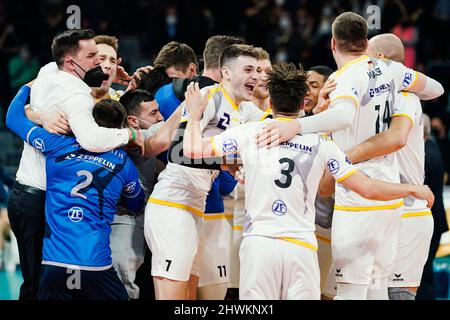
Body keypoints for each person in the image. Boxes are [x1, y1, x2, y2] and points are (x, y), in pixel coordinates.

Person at [182, 63, 434, 300]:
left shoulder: (248, 133)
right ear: (303, 103)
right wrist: (412, 188)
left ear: (270, 102)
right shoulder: (322, 143)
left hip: (259, 244)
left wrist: (194, 115)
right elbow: (368, 189)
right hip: (300, 247)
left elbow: (192, 150)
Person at [255, 11, 444, 300]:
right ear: (365, 41)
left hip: (358, 199)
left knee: (348, 293)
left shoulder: (346, 77)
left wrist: (296, 125)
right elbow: (436, 89)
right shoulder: (389, 69)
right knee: (377, 288)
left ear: (333, 44)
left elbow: (343, 116)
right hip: (389, 198)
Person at [7, 29, 143, 300]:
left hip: (25, 194)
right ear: (71, 62)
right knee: (39, 285)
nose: (100, 63)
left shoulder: (48, 71)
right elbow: (92, 139)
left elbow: (13, 116)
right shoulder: (79, 99)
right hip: (42, 200)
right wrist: (131, 135)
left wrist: (32, 110)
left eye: (108, 60)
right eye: (93, 56)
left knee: (35, 283)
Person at [145, 44, 269, 300]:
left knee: (189, 296)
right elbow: (178, 152)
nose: (256, 76)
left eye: (257, 70)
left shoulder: (245, 109)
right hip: (173, 203)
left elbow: (279, 124)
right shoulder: (210, 96)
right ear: (226, 72)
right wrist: (226, 161)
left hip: (196, 205)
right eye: (248, 69)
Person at [343, 33, 434, 300]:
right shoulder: (371, 99)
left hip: (407, 210)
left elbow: (395, 139)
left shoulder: (405, 97)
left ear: (381, 59)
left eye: (367, 57)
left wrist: (342, 160)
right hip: (381, 209)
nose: (362, 64)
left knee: (397, 295)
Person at [417, 114, 449, 300]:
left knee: (422, 274)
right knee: (424, 272)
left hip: (430, 222)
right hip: (435, 220)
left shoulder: (425, 154)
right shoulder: (432, 146)